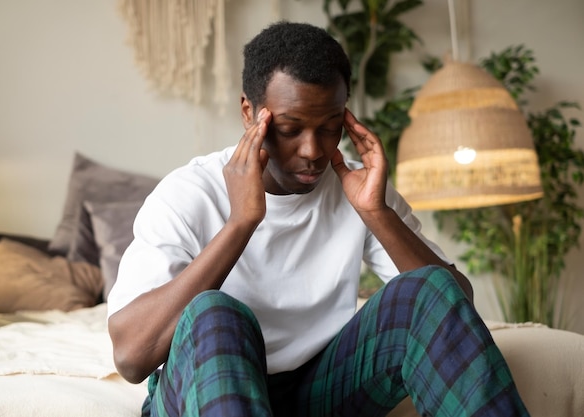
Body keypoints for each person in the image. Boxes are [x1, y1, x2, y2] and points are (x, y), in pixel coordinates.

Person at [107, 21, 530, 417]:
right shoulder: (188, 194)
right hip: (210, 386)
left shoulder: (358, 189)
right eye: (291, 129)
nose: (313, 150)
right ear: (249, 113)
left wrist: (376, 213)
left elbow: (453, 309)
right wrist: (241, 222)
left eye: (330, 127)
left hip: (317, 388)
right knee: (214, 314)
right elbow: (131, 358)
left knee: (428, 287)